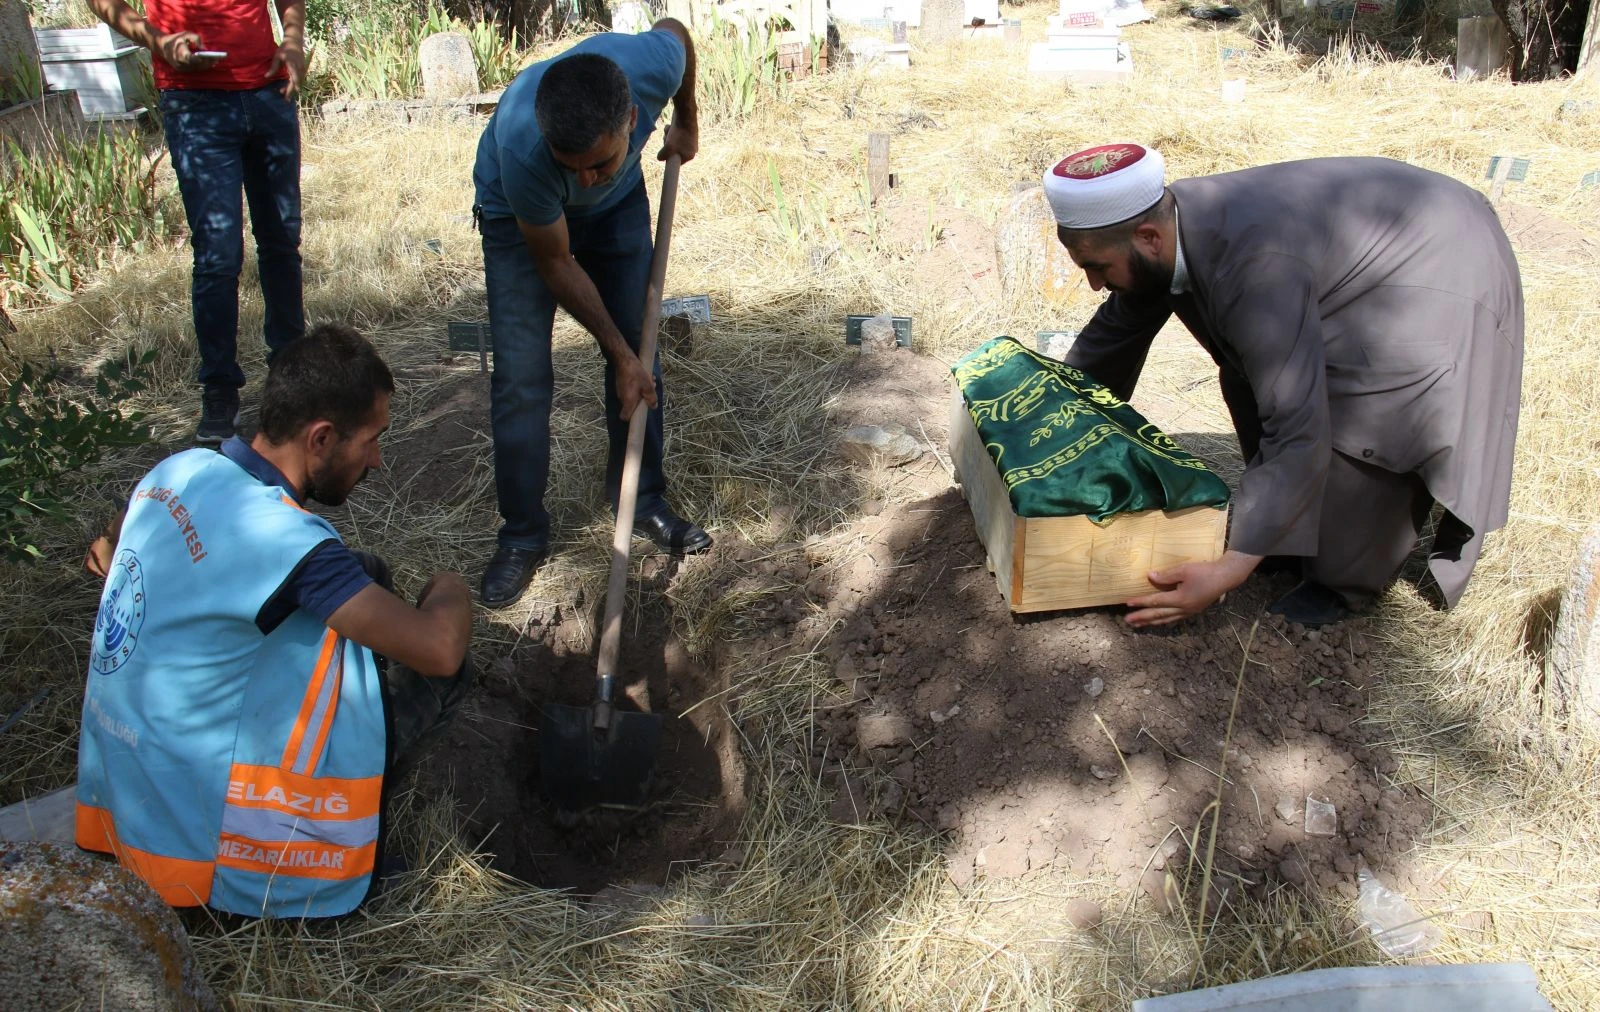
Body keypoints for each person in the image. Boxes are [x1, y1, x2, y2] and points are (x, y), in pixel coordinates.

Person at [76, 324, 474, 919]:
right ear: (320, 438)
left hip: (121, 801)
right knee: (447, 672)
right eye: (371, 440)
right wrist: (451, 588)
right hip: (201, 860)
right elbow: (439, 649)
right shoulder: (290, 546)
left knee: (367, 574)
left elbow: (104, 553)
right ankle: (335, 855)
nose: (378, 461)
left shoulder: (175, 473)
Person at [1042, 144, 1523, 628]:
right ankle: (1283, 533)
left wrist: (1228, 570)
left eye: (1097, 267)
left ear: (1148, 238)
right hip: (1376, 245)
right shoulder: (1169, 233)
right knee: (1247, 374)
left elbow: (1297, 429)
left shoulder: (1252, 266)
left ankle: (1341, 585)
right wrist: (1047, 430)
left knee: (1368, 427)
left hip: (1436, 269)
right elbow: (1111, 341)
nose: (1094, 286)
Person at [471, 17, 711, 609]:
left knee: (641, 346)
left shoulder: (653, 66)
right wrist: (620, 355)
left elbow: (678, 33)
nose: (583, 178)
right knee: (523, 376)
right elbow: (555, 265)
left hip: (621, 204)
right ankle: (523, 534)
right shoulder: (527, 152)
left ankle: (643, 500)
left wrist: (686, 120)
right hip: (518, 216)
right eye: (570, 164)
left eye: (597, 162)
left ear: (631, 120)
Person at [89, 0, 307, 445]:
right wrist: (158, 41)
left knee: (282, 241)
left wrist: (292, 41)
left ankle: (291, 373)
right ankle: (220, 389)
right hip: (195, 103)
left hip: (268, 93)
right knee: (218, 256)